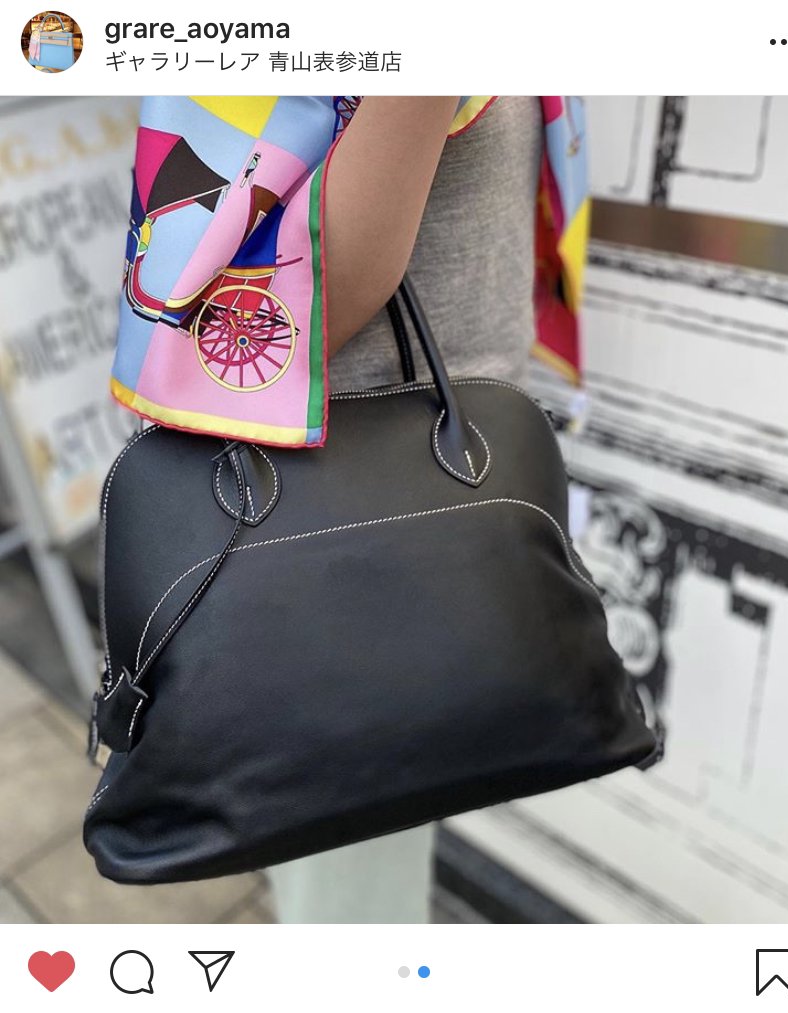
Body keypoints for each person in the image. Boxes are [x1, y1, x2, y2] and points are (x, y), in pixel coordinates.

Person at [268, 96, 544, 922]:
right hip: (356, 520)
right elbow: (311, 295)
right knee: (352, 900)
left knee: (343, 880)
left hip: (378, 510)